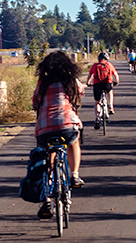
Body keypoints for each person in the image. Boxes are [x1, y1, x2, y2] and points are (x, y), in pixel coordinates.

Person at [31, 51, 86, 218]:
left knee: (48, 158)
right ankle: (74, 176)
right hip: (67, 124)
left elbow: (35, 102)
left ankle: (46, 199)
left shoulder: (43, 83)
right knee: (73, 142)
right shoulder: (70, 80)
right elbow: (80, 92)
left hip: (44, 129)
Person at [85, 52, 119, 129]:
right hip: (107, 84)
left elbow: (90, 75)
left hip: (97, 85)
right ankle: (110, 106)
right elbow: (116, 75)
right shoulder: (109, 65)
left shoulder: (95, 65)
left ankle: (97, 118)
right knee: (110, 91)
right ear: (106, 59)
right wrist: (116, 82)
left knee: (97, 102)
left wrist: (88, 83)